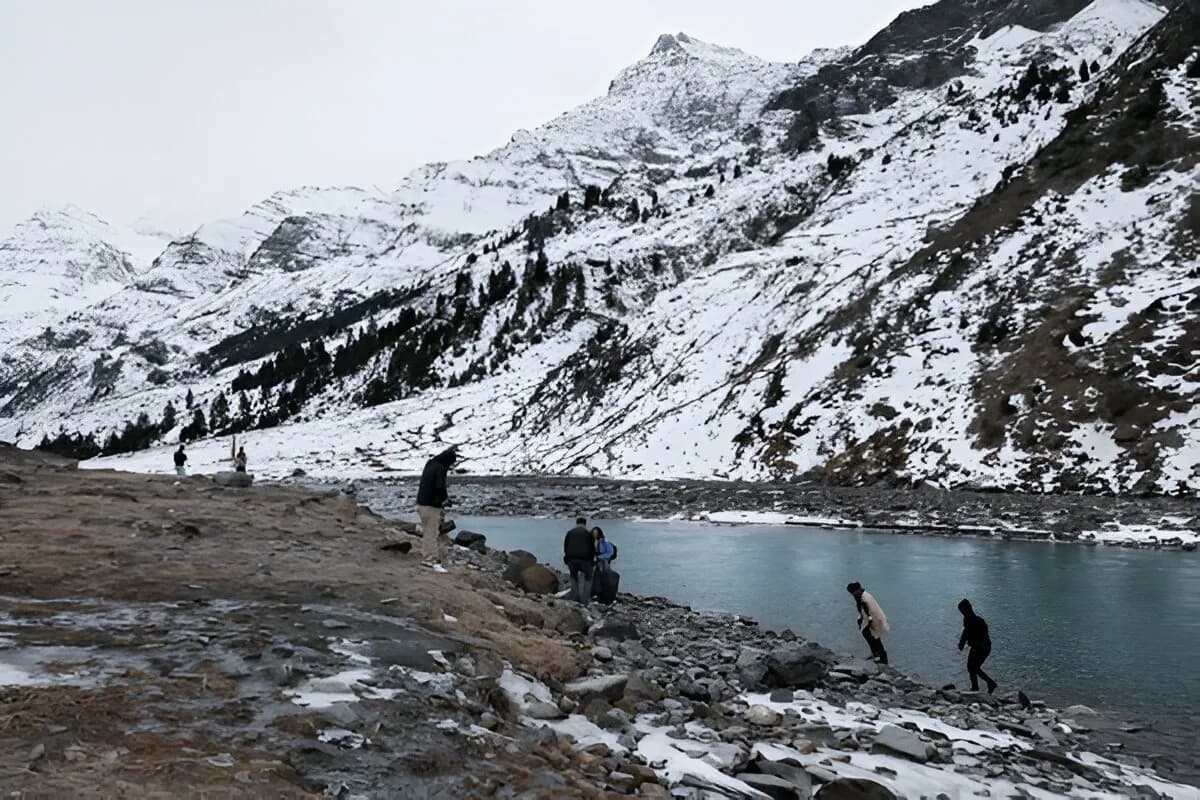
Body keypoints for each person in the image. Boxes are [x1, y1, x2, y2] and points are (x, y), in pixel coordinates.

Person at [416, 446, 457, 566]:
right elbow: (440, 486)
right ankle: (430, 559)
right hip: (431, 506)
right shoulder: (441, 468)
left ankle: (427, 554)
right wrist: (444, 500)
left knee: (427, 532)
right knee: (432, 533)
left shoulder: (430, 463)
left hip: (421, 504)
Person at [958, 599, 998, 693]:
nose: (962, 613)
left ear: (967, 609)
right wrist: (962, 643)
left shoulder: (973, 620)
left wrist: (962, 644)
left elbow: (968, 633)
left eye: (962, 610)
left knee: (973, 667)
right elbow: (966, 632)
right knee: (972, 667)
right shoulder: (970, 619)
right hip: (980, 647)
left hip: (981, 647)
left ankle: (988, 684)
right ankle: (978, 686)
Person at [847, 582, 889, 664]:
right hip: (873, 620)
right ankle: (877, 655)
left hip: (873, 621)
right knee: (873, 638)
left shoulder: (864, 599)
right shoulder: (864, 595)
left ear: (857, 590)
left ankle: (881, 659)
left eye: (852, 593)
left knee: (873, 639)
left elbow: (870, 613)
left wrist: (868, 623)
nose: (852, 595)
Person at [563, 517, 595, 604]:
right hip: (585, 560)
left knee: (573, 578)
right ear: (585, 524)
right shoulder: (588, 534)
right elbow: (592, 548)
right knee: (588, 579)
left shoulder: (570, 533)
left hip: (571, 559)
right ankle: (584, 601)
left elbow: (565, 546)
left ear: (576, 523)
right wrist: (592, 561)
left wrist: (566, 558)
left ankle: (574, 598)